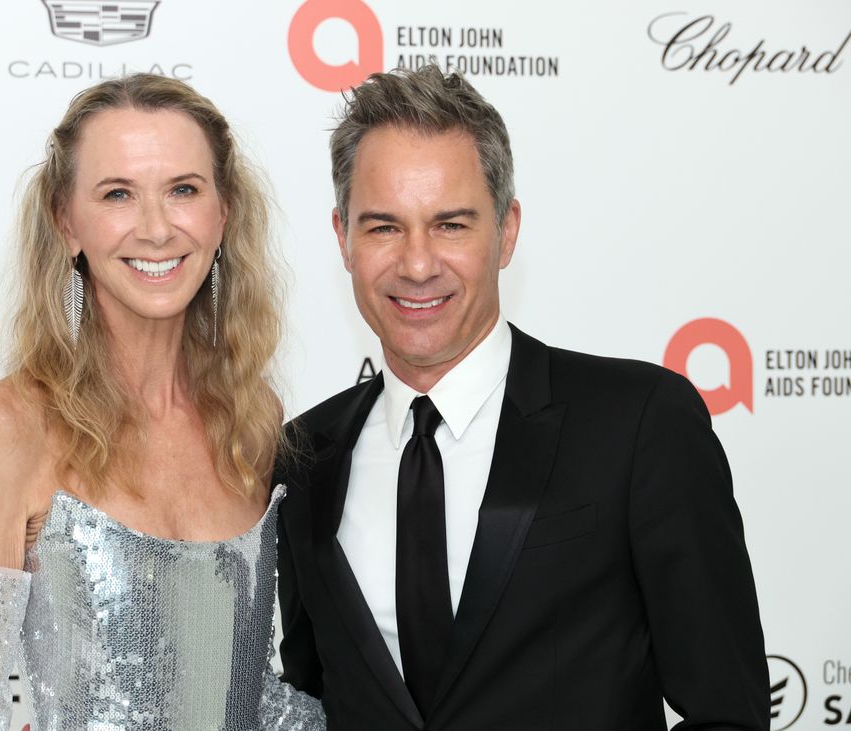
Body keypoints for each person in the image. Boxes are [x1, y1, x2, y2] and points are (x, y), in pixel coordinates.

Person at [275, 65, 769, 730]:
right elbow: (310, 703)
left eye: (450, 224)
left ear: (506, 232)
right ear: (343, 238)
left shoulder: (639, 423)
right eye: (384, 227)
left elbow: (728, 711)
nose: (417, 264)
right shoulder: (304, 458)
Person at [0, 73, 324, 731]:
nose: (155, 227)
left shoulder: (251, 418)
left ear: (222, 214)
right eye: (118, 194)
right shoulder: (4, 427)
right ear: (66, 221)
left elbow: (248, 693)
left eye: (183, 190)